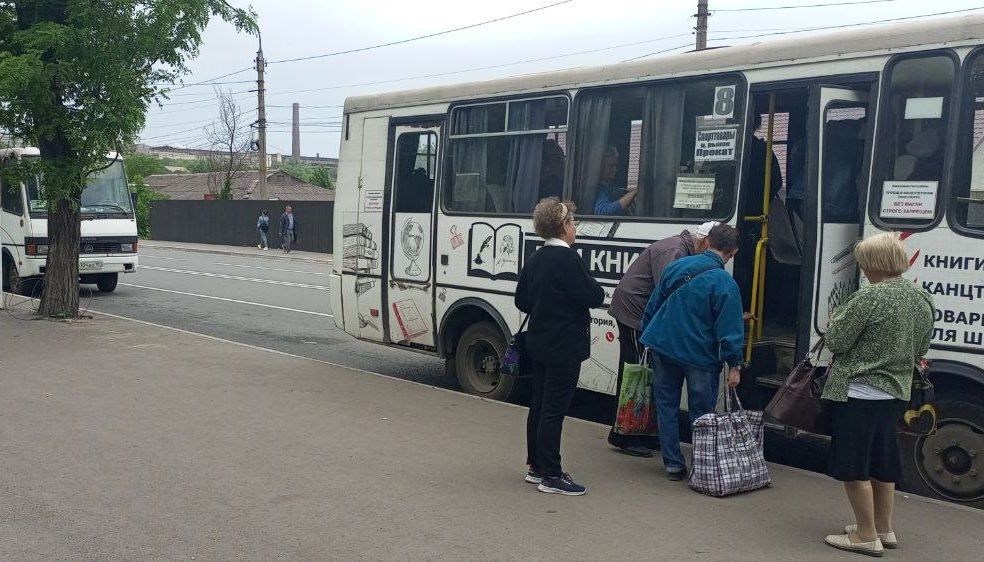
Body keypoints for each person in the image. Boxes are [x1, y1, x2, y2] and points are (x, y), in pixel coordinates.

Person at [820, 232, 933, 557]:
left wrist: (834, 322)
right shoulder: (921, 297)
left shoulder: (867, 297)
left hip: (859, 392)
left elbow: (837, 342)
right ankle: (884, 528)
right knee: (883, 462)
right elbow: (922, 347)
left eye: (864, 263)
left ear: (874, 263)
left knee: (854, 465)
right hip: (896, 392)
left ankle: (866, 536)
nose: (863, 269)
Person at [605, 221, 720, 457]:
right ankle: (623, 435)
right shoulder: (675, 251)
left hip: (641, 313)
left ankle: (643, 432)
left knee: (648, 375)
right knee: (635, 374)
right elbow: (671, 291)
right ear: (704, 242)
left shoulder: (683, 249)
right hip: (635, 314)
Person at [639, 224, 744, 480]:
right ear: (733, 252)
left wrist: (649, 337)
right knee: (702, 413)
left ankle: (673, 464)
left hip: (664, 347)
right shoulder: (726, 283)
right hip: (700, 357)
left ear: (707, 242)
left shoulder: (676, 267)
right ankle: (702, 466)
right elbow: (729, 330)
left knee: (666, 406)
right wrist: (734, 364)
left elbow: (653, 306)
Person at [515, 197, 604, 496]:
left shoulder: (537, 257)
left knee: (538, 406)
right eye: (573, 222)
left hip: (539, 342)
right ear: (563, 226)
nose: (574, 227)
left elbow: (521, 300)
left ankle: (535, 466)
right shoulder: (568, 259)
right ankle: (552, 475)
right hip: (564, 345)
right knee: (554, 410)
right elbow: (594, 295)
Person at [593, 146, 637, 216]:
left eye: (616, 166)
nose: (615, 170)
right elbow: (603, 212)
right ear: (599, 166)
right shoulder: (598, 189)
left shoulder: (611, 187)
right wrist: (633, 193)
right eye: (611, 166)